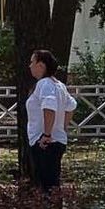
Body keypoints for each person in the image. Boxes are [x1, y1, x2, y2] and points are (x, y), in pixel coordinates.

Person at [27, 49, 78, 191]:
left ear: (41, 65)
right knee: (52, 183)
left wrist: (47, 134)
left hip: (45, 142)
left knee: (46, 185)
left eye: (32, 62)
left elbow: (49, 108)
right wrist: (62, 128)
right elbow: (71, 106)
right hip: (58, 140)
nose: (30, 66)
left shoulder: (44, 84)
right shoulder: (59, 85)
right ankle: (54, 205)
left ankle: (50, 206)